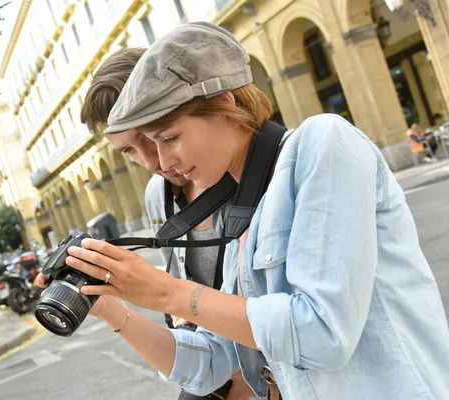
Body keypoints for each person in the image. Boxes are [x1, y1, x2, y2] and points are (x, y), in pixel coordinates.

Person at [39, 22, 449, 399]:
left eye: (170, 137)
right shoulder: (237, 221)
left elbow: (324, 334)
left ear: (223, 103)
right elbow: (214, 363)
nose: (158, 164)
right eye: (138, 147)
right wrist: (107, 300)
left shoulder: (324, 143)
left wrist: (165, 291)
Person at [80, 47, 257, 399]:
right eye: (128, 151)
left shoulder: (267, 170)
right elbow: (186, 297)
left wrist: (169, 295)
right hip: (212, 374)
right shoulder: (158, 194)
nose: (151, 161)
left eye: (152, 137)